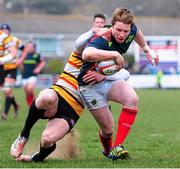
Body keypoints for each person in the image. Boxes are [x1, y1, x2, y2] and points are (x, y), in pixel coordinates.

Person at [10, 15, 130, 162]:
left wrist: (103, 76)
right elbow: (79, 42)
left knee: (47, 139)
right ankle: (24, 135)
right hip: (59, 93)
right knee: (47, 97)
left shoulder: (105, 64)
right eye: (95, 39)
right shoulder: (80, 51)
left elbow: (125, 73)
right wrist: (93, 31)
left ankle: (35, 159)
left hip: (73, 109)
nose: (96, 43)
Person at [78, 7, 159, 160]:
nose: (122, 34)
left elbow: (137, 32)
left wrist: (147, 50)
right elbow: (86, 54)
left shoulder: (131, 30)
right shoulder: (103, 37)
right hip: (89, 84)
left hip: (106, 78)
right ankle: (108, 150)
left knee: (132, 99)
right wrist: (114, 54)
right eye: (118, 30)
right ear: (112, 25)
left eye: (125, 31)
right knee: (108, 131)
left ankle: (116, 147)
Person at [0, 24, 22, 120]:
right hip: (2, 68)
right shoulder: (1, 40)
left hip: (12, 68)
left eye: (6, 30)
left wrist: (20, 60)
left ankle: (4, 113)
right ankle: (16, 105)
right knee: (6, 92)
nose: (5, 31)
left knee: (7, 90)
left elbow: (24, 50)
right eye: (2, 29)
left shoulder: (15, 40)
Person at [16, 41, 46, 106]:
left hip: (33, 75)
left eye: (30, 47)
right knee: (27, 92)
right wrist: (21, 68)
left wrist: (38, 69)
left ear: (34, 48)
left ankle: (34, 103)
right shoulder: (23, 55)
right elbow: (19, 63)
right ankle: (31, 104)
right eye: (27, 46)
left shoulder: (36, 55)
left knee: (29, 89)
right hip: (24, 76)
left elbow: (43, 62)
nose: (28, 48)